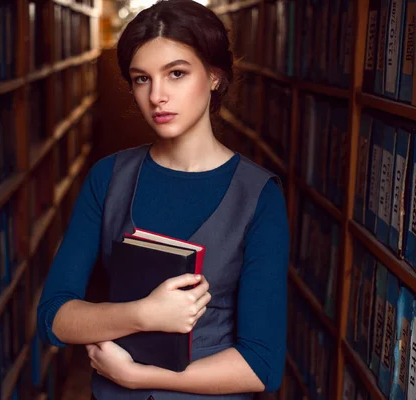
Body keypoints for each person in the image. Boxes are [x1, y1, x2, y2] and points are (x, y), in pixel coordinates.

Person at [36, 0, 289, 398]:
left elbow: (261, 366)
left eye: (176, 74)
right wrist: (143, 314)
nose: (157, 96)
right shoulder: (108, 178)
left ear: (215, 77)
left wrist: (140, 377)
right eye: (141, 79)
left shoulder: (259, 196)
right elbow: (54, 318)